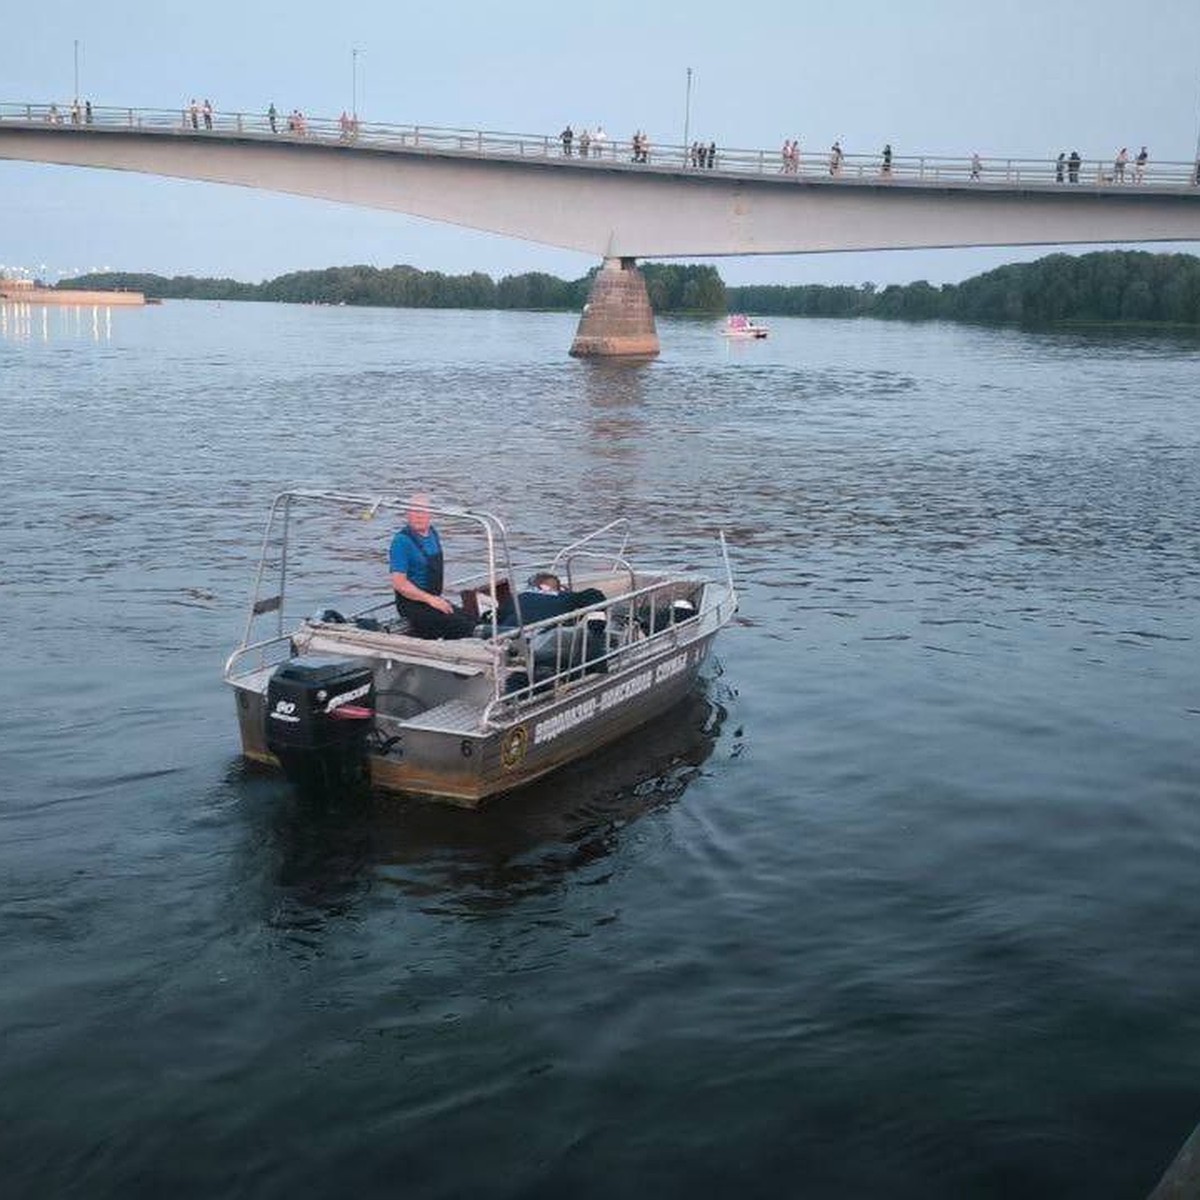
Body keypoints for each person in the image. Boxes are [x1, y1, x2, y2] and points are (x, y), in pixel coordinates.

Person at [389, 494, 475, 639]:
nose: (418, 516)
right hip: (413, 605)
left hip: (434, 599)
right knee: (464, 628)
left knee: (471, 619)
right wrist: (430, 599)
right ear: (407, 514)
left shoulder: (433, 533)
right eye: (414, 511)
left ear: (431, 514)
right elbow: (399, 584)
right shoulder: (401, 542)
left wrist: (436, 599)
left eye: (422, 511)